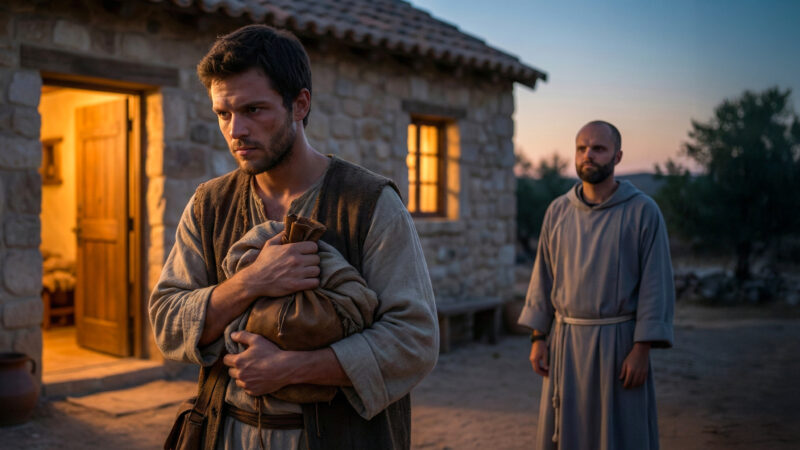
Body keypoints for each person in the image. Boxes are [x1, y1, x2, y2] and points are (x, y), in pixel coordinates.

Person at [149, 24, 439, 449]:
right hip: (226, 433)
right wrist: (252, 282)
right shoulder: (208, 204)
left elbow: (414, 340)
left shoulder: (370, 203)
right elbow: (167, 321)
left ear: (300, 104)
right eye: (223, 114)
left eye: (254, 110)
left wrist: (294, 367)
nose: (236, 130)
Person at [518, 120, 675, 449]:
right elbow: (543, 276)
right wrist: (538, 337)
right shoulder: (558, 212)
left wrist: (641, 349)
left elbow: (655, 284)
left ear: (617, 157)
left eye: (598, 149)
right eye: (581, 148)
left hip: (618, 346)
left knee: (620, 434)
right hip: (566, 343)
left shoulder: (643, 212)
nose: (588, 155)